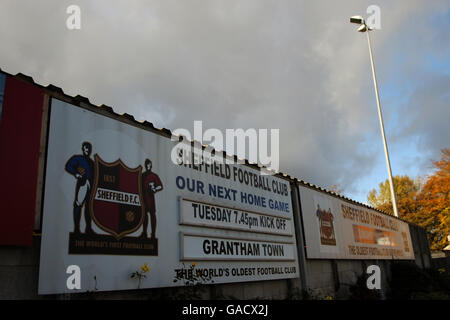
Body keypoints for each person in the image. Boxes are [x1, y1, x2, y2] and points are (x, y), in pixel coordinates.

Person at [65, 142, 95, 234]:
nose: (87, 150)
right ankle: (77, 229)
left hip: (91, 185)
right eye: (86, 148)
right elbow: (68, 166)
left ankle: (88, 228)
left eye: (89, 148)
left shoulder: (92, 162)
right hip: (83, 183)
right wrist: (76, 173)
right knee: (78, 204)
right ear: (83, 149)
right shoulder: (78, 158)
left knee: (89, 207)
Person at [141, 158, 163, 239]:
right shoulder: (142, 175)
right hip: (143, 198)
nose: (148, 166)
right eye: (147, 165)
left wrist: (155, 189)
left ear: (151, 165)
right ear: (145, 165)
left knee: (152, 214)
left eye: (149, 165)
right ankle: (144, 233)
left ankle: (153, 234)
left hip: (151, 198)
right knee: (144, 215)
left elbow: (160, 186)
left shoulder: (154, 176)